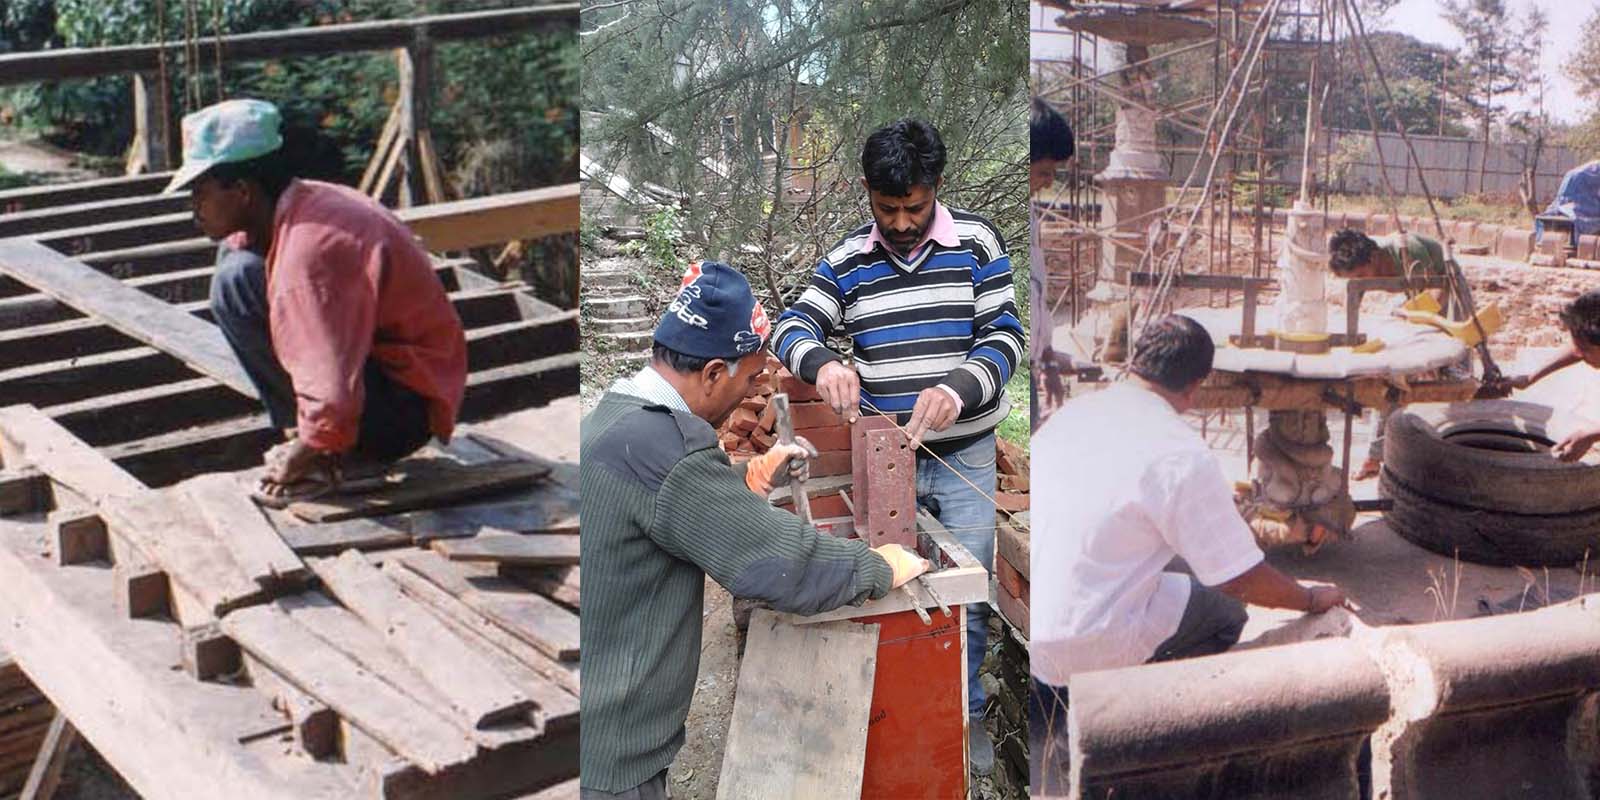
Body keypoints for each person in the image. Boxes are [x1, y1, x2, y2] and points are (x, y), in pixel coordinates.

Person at [579, 261, 930, 799]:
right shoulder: (668, 448)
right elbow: (779, 566)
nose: (748, 394)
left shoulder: (616, 416)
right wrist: (878, 565)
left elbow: (670, 508)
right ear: (715, 372)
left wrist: (750, 475)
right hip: (609, 751)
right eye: (748, 381)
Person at [771, 118, 1024, 775]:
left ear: (936, 187)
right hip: (888, 461)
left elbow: (1006, 336)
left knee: (965, 598)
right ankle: (900, 716)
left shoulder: (976, 241)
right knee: (890, 589)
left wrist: (960, 387)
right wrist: (823, 363)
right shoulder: (849, 259)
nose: (905, 222)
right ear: (867, 194)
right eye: (889, 209)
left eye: (916, 205)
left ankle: (961, 717)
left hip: (963, 451)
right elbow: (792, 326)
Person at [1029, 314, 1348, 791]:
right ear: (1197, 385)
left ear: (1135, 362)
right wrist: (1308, 598)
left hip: (1028, 623)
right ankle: (1135, 719)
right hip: (1082, 642)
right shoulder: (1180, 453)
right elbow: (1237, 576)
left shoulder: (1068, 418)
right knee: (1225, 613)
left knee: (1167, 560)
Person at [167, 98, 467, 506]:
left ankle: (346, 452)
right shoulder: (300, 201)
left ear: (242, 192)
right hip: (391, 377)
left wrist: (305, 450)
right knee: (234, 266)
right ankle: (319, 438)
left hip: (406, 407)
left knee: (236, 278)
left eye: (200, 193)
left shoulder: (307, 254)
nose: (193, 209)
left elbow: (333, 394)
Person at [1328, 227, 1452, 480]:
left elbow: (1437, 295)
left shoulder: (1409, 251)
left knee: (1447, 373)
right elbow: (1353, 301)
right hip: (1412, 299)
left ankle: (1448, 455)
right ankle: (1375, 457)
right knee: (1388, 381)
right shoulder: (1362, 270)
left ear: (1373, 259)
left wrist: (1425, 346)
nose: (1360, 281)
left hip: (1443, 291)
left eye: (1362, 275)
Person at [1504, 290, 1600, 461]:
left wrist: (1590, 436)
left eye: (1585, 349)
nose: (1579, 353)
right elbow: (1578, 349)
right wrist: (1530, 378)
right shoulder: (1591, 340)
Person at [1030, 97, 1074, 429]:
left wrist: (1047, 358)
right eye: (1045, 172)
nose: (1048, 182)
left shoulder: (1031, 216)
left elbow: (1037, 296)